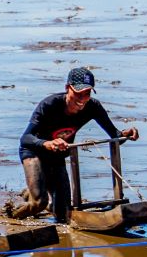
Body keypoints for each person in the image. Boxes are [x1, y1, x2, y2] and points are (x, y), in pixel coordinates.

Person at [11, 67, 139, 223]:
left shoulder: (93, 107)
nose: (82, 99)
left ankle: (34, 191)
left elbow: (115, 135)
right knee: (39, 203)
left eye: (87, 93)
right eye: (78, 93)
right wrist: (47, 143)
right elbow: (25, 138)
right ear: (67, 88)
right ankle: (12, 217)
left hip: (57, 156)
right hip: (34, 152)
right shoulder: (49, 105)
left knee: (63, 215)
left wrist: (126, 134)